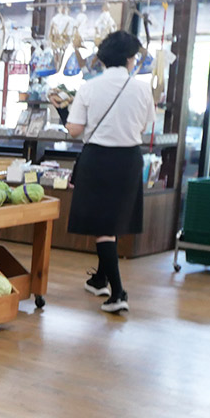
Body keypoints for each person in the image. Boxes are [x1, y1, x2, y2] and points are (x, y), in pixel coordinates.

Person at [64, 30, 154, 315]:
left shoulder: (89, 87)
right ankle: (100, 280)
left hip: (98, 158)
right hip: (129, 159)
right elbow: (145, 127)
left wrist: (62, 111)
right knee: (112, 223)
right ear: (129, 59)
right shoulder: (142, 88)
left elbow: (75, 129)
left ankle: (118, 293)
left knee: (103, 226)